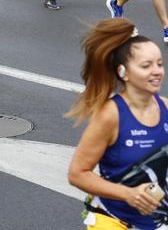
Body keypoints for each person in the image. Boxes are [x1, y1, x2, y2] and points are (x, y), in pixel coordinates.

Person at [67, 18, 168, 229]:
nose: (157, 71)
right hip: (112, 220)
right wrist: (128, 194)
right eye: (146, 66)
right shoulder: (110, 115)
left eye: (159, 64)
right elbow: (78, 174)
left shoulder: (166, 108)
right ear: (124, 72)